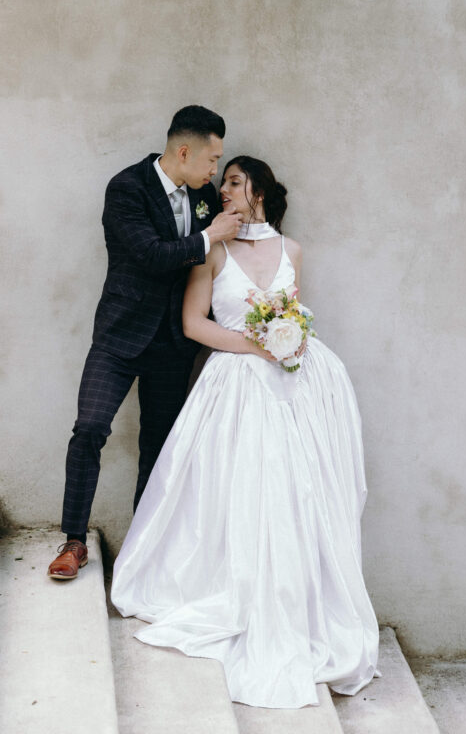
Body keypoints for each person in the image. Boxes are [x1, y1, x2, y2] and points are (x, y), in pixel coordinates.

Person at [111, 155, 379, 709]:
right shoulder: (209, 248)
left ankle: (297, 600)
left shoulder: (293, 250)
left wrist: (289, 340)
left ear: (258, 190)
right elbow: (194, 324)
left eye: (233, 181)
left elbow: (294, 312)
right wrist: (258, 345)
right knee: (243, 488)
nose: (223, 190)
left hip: (298, 386)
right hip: (235, 384)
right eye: (222, 182)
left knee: (298, 493)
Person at [48, 106, 243, 580]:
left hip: (173, 346)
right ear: (183, 152)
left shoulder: (204, 199)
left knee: (158, 448)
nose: (216, 170)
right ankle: (73, 541)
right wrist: (208, 236)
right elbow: (150, 255)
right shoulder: (127, 188)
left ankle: (143, 549)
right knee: (90, 428)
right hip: (119, 337)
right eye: (212, 160)